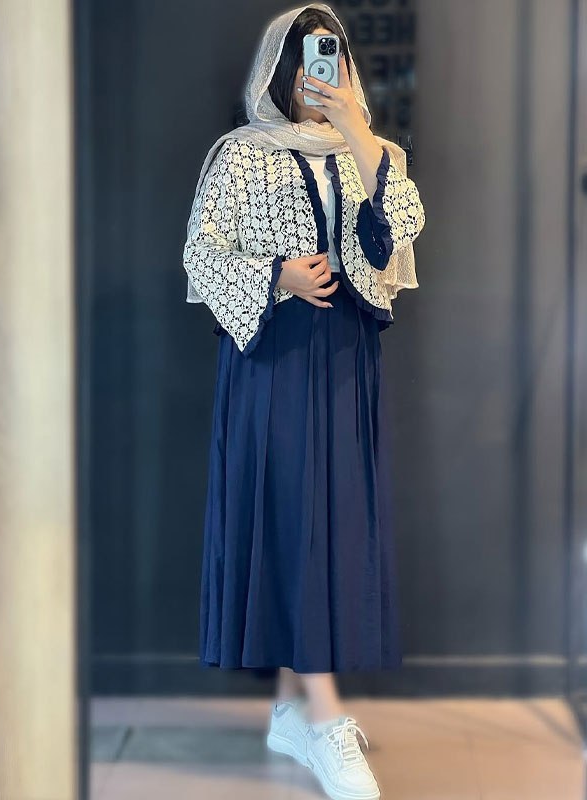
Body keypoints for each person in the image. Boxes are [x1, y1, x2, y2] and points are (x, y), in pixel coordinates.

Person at [182, 4, 425, 798]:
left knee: (333, 525)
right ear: (281, 69)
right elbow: (199, 253)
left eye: (334, 56)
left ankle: (293, 711)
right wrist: (276, 274)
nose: (322, 72)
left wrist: (356, 126)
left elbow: (404, 224)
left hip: (347, 360)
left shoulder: (372, 152)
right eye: (309, 58)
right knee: (293, 520)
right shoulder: (241, 155)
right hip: (275, 360)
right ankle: (324, 718)